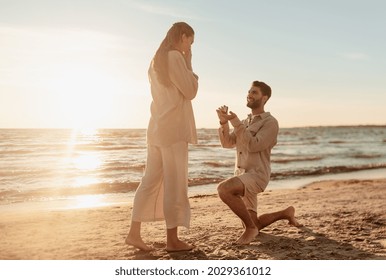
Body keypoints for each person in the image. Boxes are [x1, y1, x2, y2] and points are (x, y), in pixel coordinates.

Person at [125, 22, 198, 252]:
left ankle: (134, 233)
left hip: (157, 127)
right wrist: (188, 61)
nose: (190, 47)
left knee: (149, 181)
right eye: (191, 42)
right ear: (183, 37)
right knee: (175, 185)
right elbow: (191, 91)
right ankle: (172, 241)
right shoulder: (175, 57)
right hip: (174, 129)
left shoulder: (155, 61)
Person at [216, 80, 301, 245]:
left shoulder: (270, 123)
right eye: (249, 91)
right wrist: (223, 122)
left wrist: (235, 123)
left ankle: (250, 230)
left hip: (257, 175)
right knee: (255, 222)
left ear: (264, 98)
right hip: (241, 174)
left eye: (254, 92)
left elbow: (254, 145)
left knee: (224, 189)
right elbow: (227, 143)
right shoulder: (246, 122)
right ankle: (286, 213)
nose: (249, 95)